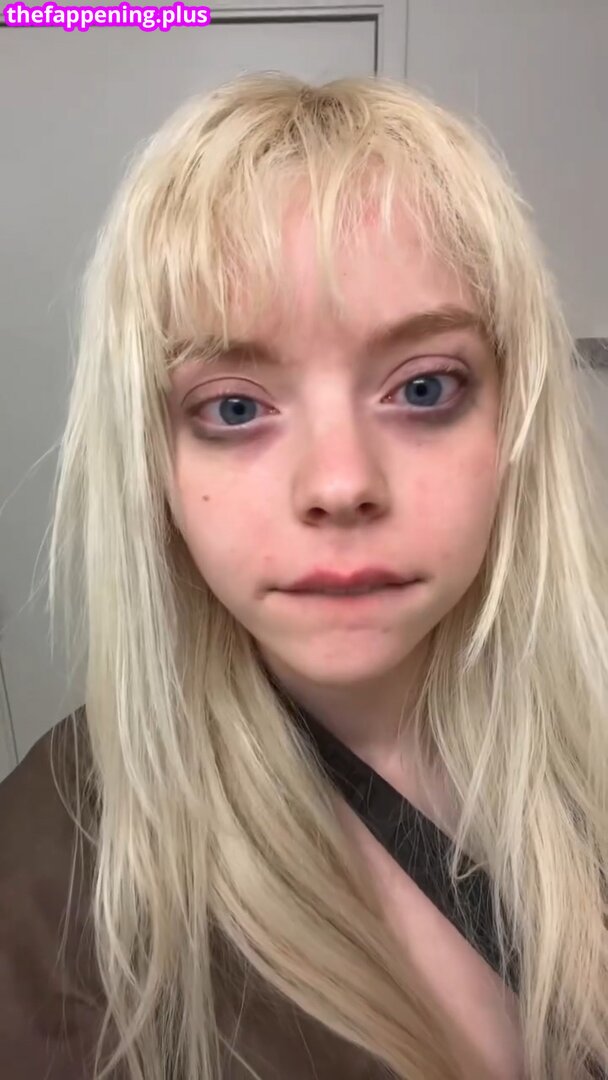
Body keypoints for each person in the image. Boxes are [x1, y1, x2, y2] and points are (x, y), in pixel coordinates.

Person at [0, 71, 607, 1080]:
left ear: (514, 419)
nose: (339, 484)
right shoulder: (45, 891)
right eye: (234, 408)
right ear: (154, 461)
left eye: (423, 387)